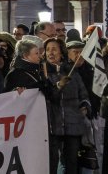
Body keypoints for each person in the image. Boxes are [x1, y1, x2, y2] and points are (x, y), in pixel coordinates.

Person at [42, 37, 90, 174]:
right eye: (47, 50)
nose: (50, 53)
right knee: (52, 161)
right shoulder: (42, 73)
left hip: (73, 123)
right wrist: (58, 86)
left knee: (71, 161)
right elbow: (46, 96)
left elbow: (83, 94)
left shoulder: (72, 72)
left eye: (54, 49)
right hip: (52, 125)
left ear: (61, 52)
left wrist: (85, 106)